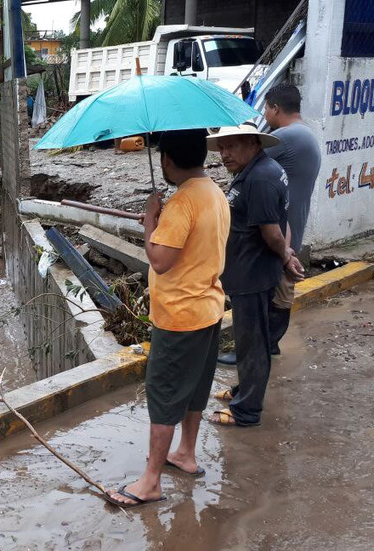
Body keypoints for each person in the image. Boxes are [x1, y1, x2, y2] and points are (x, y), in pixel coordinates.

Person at [104, 129, 230, 508]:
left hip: (180, 317)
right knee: (193, 388)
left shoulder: (183, 203)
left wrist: (149, 220)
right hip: (209, 308)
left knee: (163, 397)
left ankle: (151, 481)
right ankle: (185, 454)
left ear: (167, 160)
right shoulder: (215, 194)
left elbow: (159, 260)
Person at [207, 124, 305, 427]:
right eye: (221, 148)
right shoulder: (260, 169)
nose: (224, 154)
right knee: (250, 340)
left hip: (254, 273)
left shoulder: (261, 178)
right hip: (249, 270)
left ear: (252, 143)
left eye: (231, 147)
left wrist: (286, 256)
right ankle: (243, 391)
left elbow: (273, 232)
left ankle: (247, 410)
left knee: (253, 343)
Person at [218, 84, 321, 364]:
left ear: (275, 108)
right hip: (291, 224)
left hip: (277, 230)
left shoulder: (283, 140)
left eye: (266, 108)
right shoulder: (307, 135)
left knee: (269, 296)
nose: (265, 114)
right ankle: (267, 345)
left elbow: (249, 167)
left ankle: (260, 348)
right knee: (280, 293)